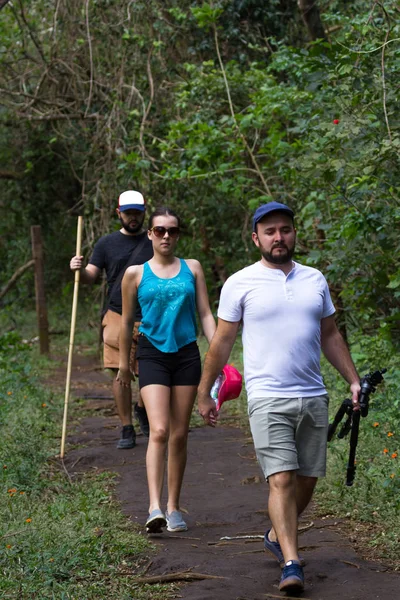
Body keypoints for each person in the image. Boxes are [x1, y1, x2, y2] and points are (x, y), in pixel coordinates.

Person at [197, 201, 360, 594]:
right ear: (256, 238)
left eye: (285, 230)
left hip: (314, 395)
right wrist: (205, 391)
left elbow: (331, 335)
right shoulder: (240, 282)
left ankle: (275, 533)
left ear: (294, 234)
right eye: (269, 232)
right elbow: (220, 342)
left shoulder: (314, 279)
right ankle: (291, 561)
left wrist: (352, 380)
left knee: (307, 479)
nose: (278, 237)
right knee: (282, 479)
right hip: (268, 397)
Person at [117, 207, 216, 534]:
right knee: (158, 430)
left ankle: (174, 507)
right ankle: (154, 507)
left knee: (179, 433)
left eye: (172, 231)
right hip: (151, 354)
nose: (166, 237)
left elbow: (204, 313)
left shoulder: (193, 269)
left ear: (178, 235)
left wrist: (219, 354)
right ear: (150, 233)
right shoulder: (135, 274)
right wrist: (122, 364)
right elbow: (127, 320)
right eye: (159, 230)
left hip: (187, 353)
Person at [70, 190, 153, 449]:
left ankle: (142, 408)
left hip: (151, 315)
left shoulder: (155, 240)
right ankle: (127, 427)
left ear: (144, 213)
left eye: (137, 213)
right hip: (118, 313)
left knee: (152, 371)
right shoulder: (106, 244)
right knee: (120, 373)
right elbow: (90, 276)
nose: (133, 217)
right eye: (128, 213)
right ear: (118, 213)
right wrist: (78, 270)